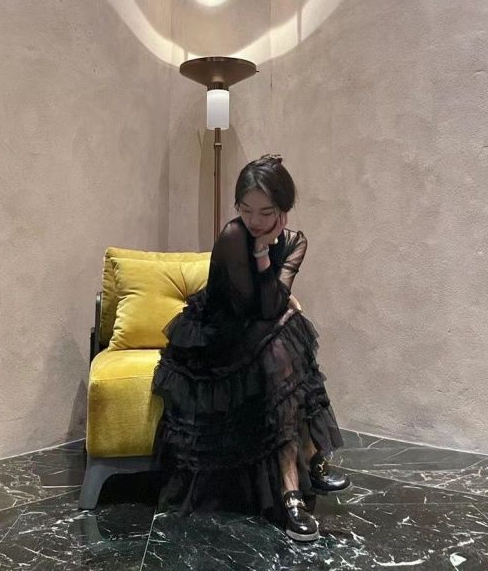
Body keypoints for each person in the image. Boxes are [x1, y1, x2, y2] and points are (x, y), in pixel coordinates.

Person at [150, 153, 351, 542]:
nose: (254, 220)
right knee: (287, 332)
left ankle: (292, 490)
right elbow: (253, 309)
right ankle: (309, 467)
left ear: (284, 210)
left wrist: (269, 266)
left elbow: (271, 305)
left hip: (259, 335)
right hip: (216, 339)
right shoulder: (232, 236)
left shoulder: (294, 242)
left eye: (266, 212)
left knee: (285, 343)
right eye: (246, 210)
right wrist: (260, 253)